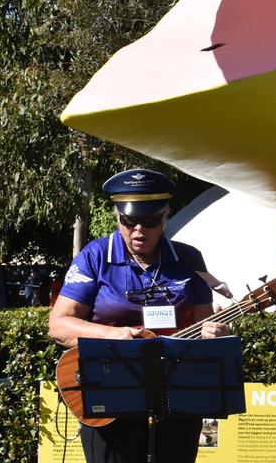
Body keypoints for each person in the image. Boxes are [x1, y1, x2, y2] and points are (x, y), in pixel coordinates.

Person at [48, 168, 230, 463]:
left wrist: (214, 334)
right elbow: (59, 325)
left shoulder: (189, 259)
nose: (138, 230)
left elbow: (201, 326)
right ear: (117, 216)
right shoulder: (95, 256)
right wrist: (114, 335)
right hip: (109, 394)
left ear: (166, 215)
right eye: (129, 221)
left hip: (176, 397)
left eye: (150, 220)